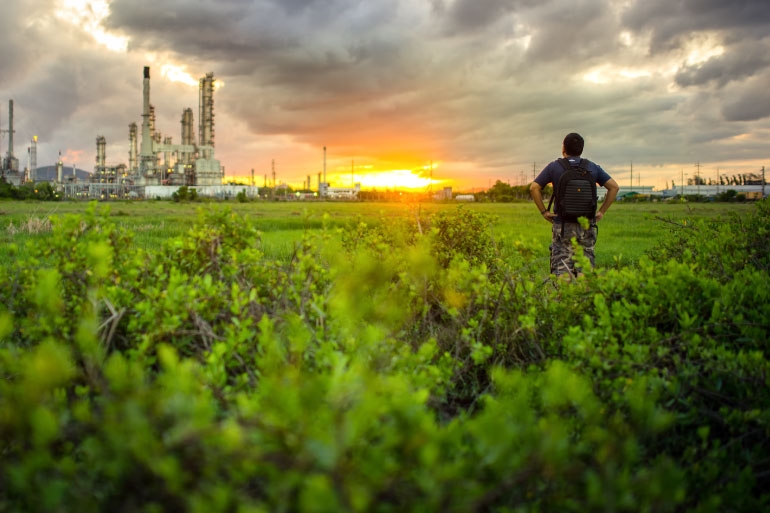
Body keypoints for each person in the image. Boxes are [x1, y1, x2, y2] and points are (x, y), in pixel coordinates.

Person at [529, 132, 619, 277]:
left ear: (563, 148)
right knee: (585, 265)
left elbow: (534, 187)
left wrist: (544, 212)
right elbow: (614, 187)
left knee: (562, 266)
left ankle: (564, 297)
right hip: (586, 225)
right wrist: (601, 211)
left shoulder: (554, 167)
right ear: (581, 149)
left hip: (563, 225)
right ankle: (583, 297)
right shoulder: (592, 167)